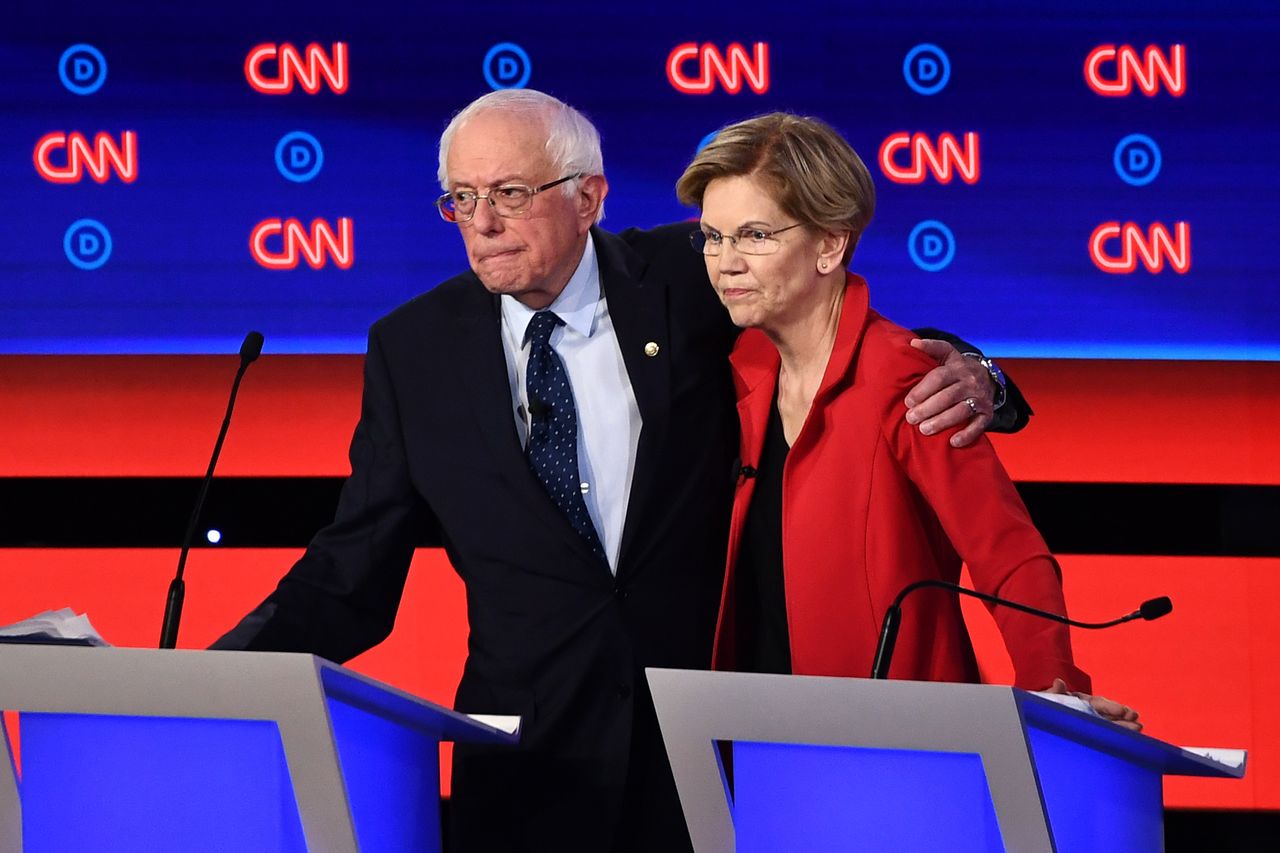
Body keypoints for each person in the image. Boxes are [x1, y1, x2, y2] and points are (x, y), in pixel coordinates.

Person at [213, 91, 1031, 852]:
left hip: (709, 761)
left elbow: (825, 319)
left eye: (509, 192)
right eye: (460, 198)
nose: (482, 223)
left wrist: (978, 373)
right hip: (526, 772)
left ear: (589, 197)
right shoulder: (413, 349)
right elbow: (351, 570)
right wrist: (211, 679)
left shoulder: (688, 273)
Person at [676, 112, 1141, 726]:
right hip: (753, 738)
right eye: (713, 236)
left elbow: (1006, 551)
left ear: (829, 244)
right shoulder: (738, 366)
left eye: (755, 235)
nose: (724, 262)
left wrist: (1053, 686)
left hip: (899, 740)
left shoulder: (904, 379)